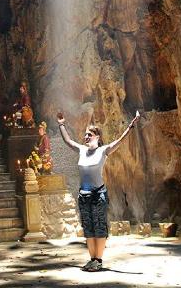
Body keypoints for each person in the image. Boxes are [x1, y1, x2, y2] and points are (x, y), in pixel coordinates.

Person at [57, 110, 140, 272]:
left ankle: (99, 260)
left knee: (99, 225)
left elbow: (120, 141)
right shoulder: (81, 150)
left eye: (89, 134)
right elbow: (68, 141)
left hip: (98, 194)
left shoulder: (103, 151)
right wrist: (61, 124)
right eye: (86, 135)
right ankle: (92, 259)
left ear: (97, 137)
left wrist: (131, 126)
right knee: (88, 227)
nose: (86, 137)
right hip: (84, 195)